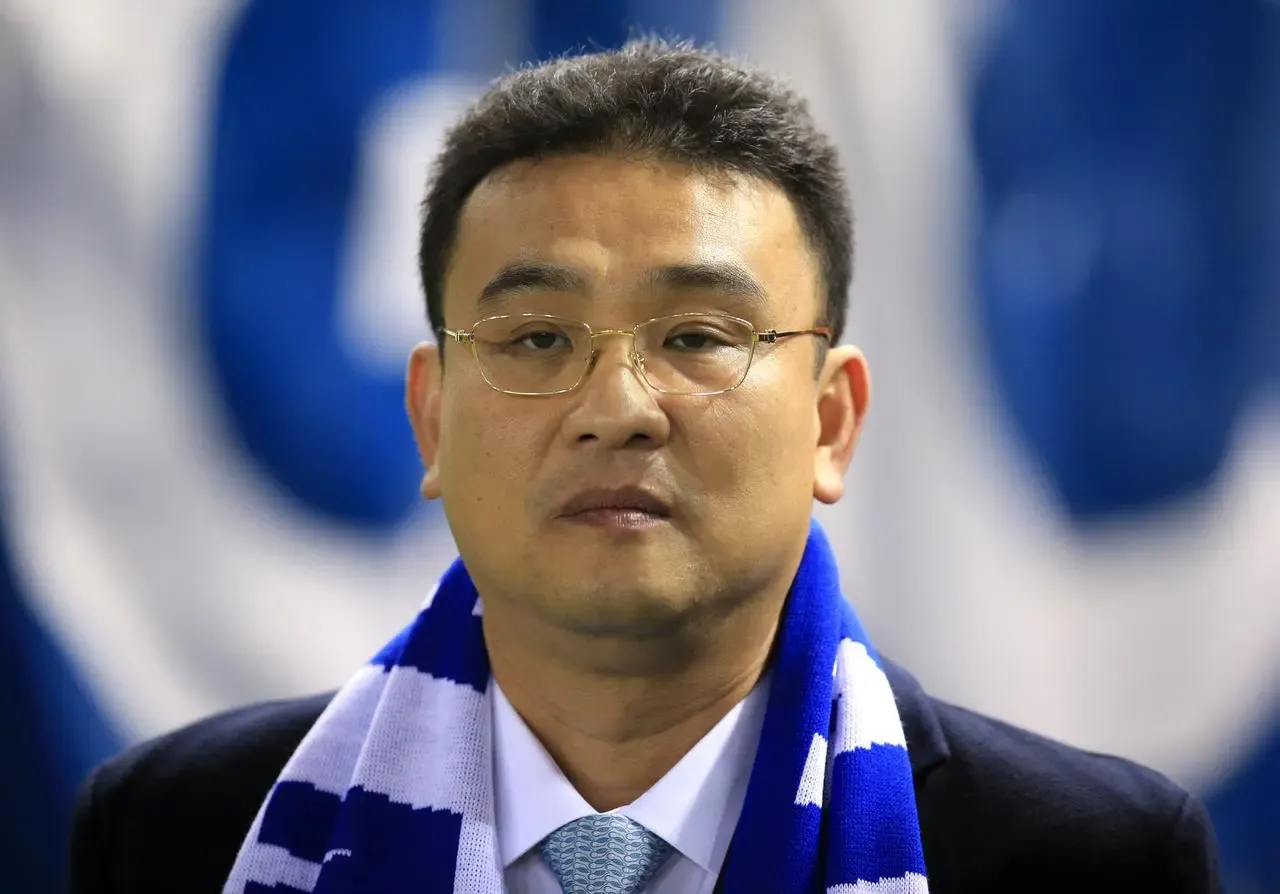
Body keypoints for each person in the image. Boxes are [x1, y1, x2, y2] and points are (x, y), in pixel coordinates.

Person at [66, 40, 1221, 894]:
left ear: (828, 422)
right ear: (430, 418)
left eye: (697, 338)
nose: (615, 410)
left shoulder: (1087, 858)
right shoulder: (178, 833)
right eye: (535, 340)